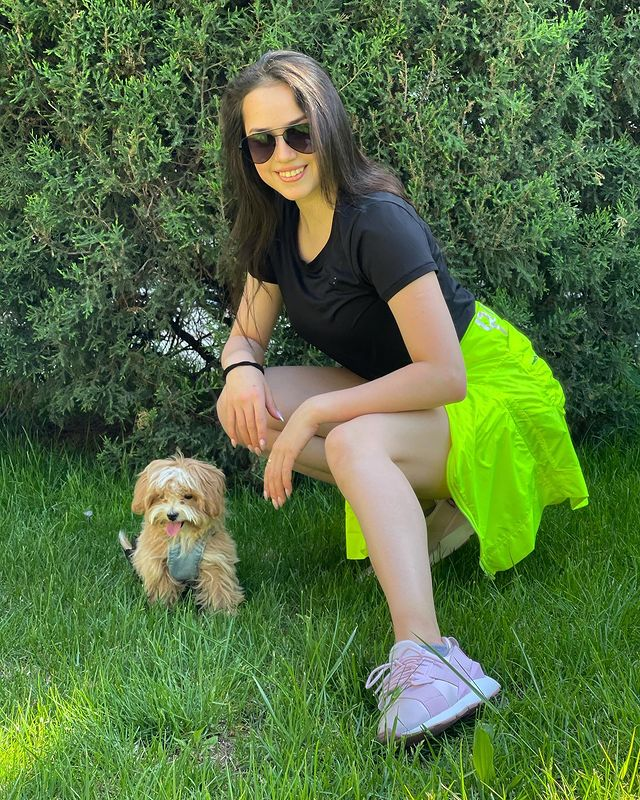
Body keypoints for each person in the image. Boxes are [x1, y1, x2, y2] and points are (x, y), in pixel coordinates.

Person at [215, 50, 589, 744]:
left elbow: (445, 375)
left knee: (353, 439)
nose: (283, 155)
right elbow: (246, 338)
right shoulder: (277, 225)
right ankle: (421, 511)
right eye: (262, 142)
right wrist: (240, 368)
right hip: (407, 387)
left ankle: (431, 656)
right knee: (253, 407)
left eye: (299, 133)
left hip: (484, 389)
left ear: (329, 125)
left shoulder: (377, 221)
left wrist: (320, 412)